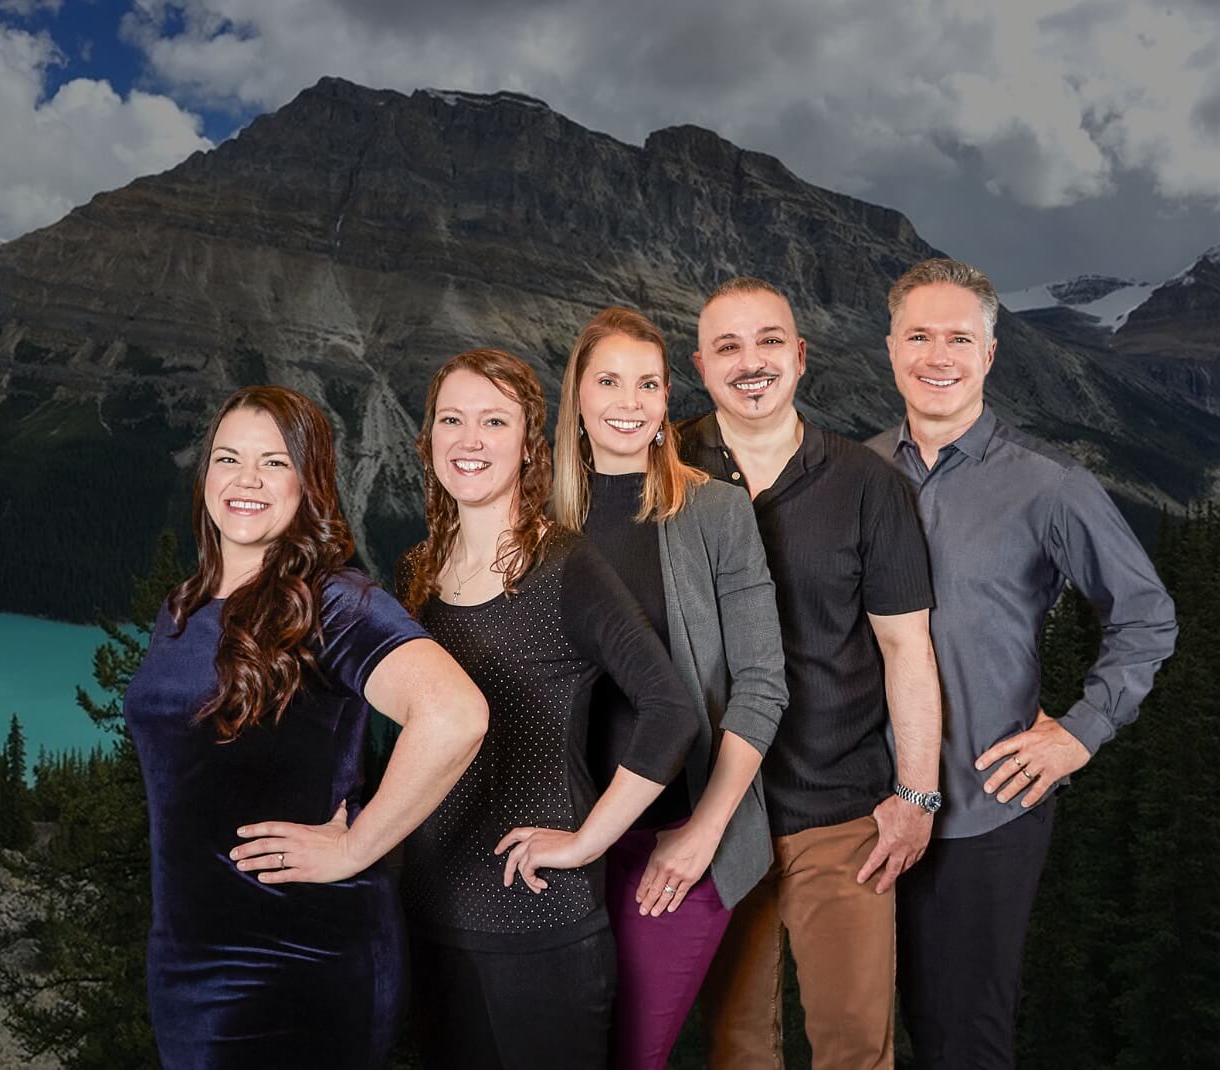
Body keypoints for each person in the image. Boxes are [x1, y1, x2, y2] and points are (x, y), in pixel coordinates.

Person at [869, 257, 1177, 1070]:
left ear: (991, 354)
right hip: (857, 809)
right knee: (857, 1037)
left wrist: (1081, 731)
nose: (939, 357)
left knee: (962, 1041)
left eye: (959, 339)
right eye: (921, 336)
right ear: (891, 347)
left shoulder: (1050, 487)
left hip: (983, 812)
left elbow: (1147, 616)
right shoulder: (853, 475)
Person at [125, 385, 489, 1069]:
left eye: (274, 462)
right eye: (228, 459)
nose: (246, 481)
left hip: (301, 954)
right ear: (204, 475)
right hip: (186, 955)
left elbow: (456, 714)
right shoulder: (184, 604)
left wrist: (356, 848)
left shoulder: (334, 601)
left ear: (309, 482)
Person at [394, 347, 699, 1069]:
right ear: (429, 438)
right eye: (452, 420)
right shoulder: (418, 571)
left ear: (528, 444)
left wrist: (588, 841)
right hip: (430, 916)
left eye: (494, 422)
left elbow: (670, 710)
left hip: (539, 923)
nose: (470, 440)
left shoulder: (567, 565)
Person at [683, 278, 942, 1070]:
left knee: (856, 1048)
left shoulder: (871, 488)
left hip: (840, 816)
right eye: (728, 346)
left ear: (799, 357)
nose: (750, 361)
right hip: (710, 821)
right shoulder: (664, 471)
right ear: (700, 366)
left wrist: (916, 795)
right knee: (734, 1049)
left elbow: (907, 651)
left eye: (768, 342)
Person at [549, 307, 788, 1070]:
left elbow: (762, 686)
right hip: (566, 840)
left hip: (680, 842)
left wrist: (705, 833)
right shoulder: (539, 521)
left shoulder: (715, 510)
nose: (629, 400)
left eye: (648, 383)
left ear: (664, 401)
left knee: (633, 1053)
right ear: (577, 399)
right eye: (609, 381)